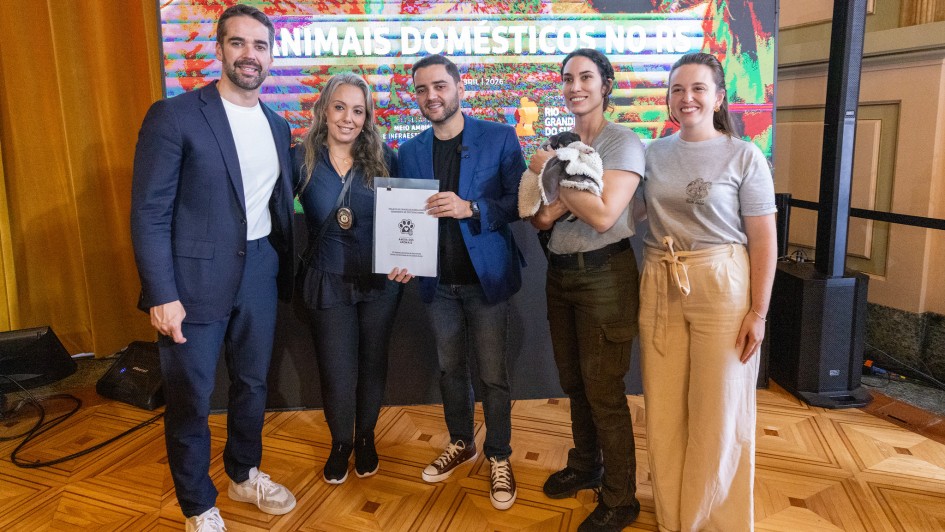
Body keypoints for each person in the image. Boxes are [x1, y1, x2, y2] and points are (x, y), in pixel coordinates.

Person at [130, 5, 296, 531]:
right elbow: (149, 212)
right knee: (192, 396)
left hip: (259, 271)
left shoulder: (277, 125)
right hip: (191, 283)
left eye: (261, 45)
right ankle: (198, 504)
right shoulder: (174, 115)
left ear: (271, 55)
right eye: (239, 44)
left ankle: (244, 474)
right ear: (220, 49)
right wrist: (161, 293)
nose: (251, 55)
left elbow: (271, 205)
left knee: (252, 384)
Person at [639, 52, 777, 532]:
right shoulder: (651, 153)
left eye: (698, 88)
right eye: (678, 89)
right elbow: (620, 211)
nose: (687, 97)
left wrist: (758, 312)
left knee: (718, 409)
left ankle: (712, 522)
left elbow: (763, 238)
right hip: (660, 279)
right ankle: (674, 518)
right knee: (664, 408)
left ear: (719, 97)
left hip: (722, 283)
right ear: (670, 100)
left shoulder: (744, 155)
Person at [397, 54, 526, 511]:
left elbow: (518, 202)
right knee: (452, 372)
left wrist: (472, 208)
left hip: (486, 282)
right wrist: (401, 257)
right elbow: (404, 220)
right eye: (421, 89)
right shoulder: (408, 150)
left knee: (493, 376)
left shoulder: (499, 137)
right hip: (438, 288)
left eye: (439, 86)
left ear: (458, 87)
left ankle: (500, 455)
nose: (431, 96)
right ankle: (460, 442)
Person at [529, 48, 645, 531]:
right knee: (574, 381)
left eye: (586, 77)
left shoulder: (624, 143)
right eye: (567, 78)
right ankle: (585, 465)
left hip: (605, 277)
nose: (575, 86)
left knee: (605, 391)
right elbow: (536, 216)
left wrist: (552, 174)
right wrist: (558, 197)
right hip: (560, 273)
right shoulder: (561, 142)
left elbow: (602, 215)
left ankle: (621, 499)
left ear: (606, 85)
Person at [293, 73, 411, 484]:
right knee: (336, 369)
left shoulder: (386, 158)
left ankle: (365, 438)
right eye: (340, 107)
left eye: (358, 111)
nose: (348, 118)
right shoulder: (300, 158)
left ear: (367, 117)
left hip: (380, 283)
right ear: (324, 109)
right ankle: (340, 442)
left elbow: (405, 219)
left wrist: (406, 258)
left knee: (373, 362)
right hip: (327, 280)